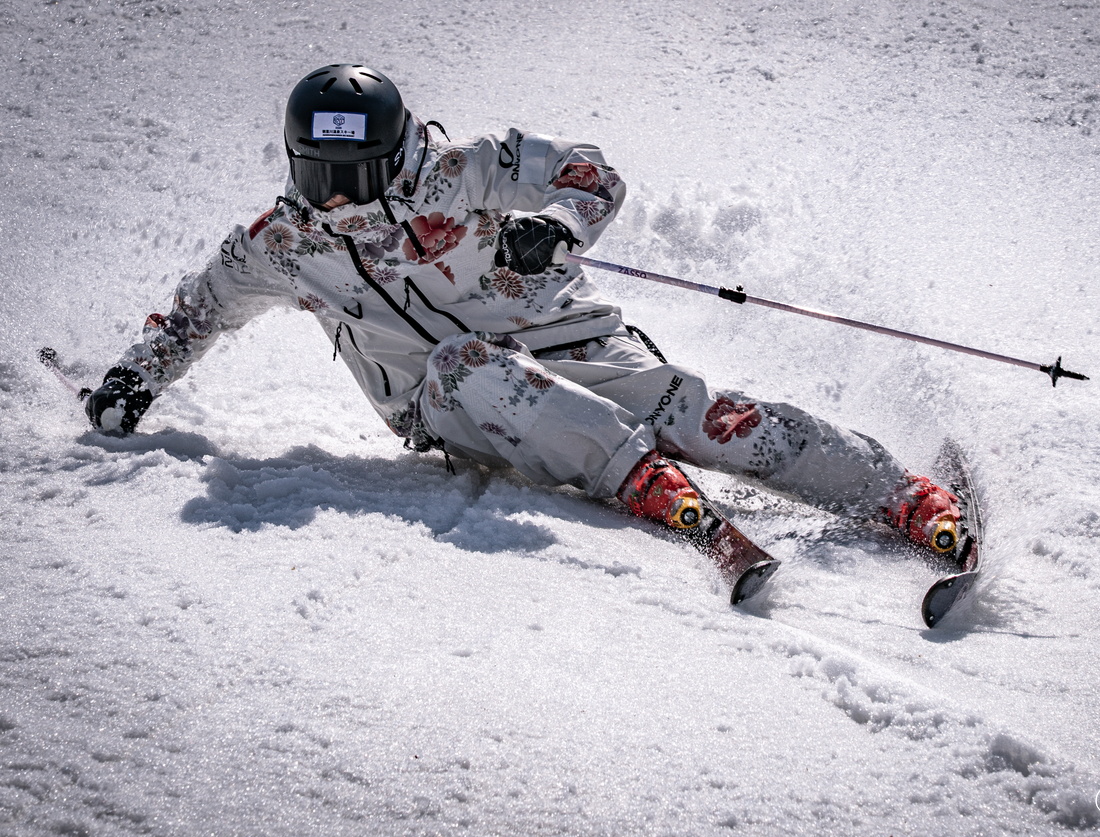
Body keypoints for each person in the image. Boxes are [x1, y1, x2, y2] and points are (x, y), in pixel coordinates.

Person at [85, 63, 961, 568]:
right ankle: (643, 479)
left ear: (397, 153)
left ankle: (899, 492)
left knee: (706, 417)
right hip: (448, 400)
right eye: (321, 177)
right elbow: (197, 312)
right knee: (468, 362)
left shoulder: (458, 170)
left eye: (358, 177)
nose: (341, 201)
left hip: (570, 339)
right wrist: (134, 376)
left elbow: (589, 172)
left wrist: (558, 225)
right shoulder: (281, 243)